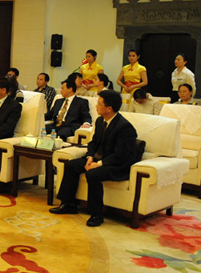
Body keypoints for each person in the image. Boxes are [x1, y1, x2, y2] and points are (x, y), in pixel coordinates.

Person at [50, 89, 138, 227]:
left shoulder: (124, 127)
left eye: (99, 104)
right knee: (71, 165)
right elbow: (93, 143)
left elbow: (120, 155)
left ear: (109, 108)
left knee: (93, 174)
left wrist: (99, 164)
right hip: (99, 159)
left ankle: (96, 214)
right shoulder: (100, 120)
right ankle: (68, 204)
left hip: (117, 165)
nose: (96, 106)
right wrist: (90, 156)